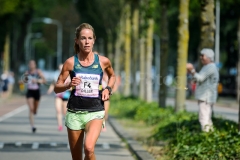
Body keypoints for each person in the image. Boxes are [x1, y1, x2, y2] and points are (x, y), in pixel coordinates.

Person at [54, 23, 115, 160]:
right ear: (77, 41)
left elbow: (112, 76)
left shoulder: (103, 61)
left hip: (95, 112)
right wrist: (68, 85)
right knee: (77, 158)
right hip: (74, 113)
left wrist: (108, 89)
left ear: (94, 40)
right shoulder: (70, 62)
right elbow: (56, 87)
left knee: (89, 148)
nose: (87, 42)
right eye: (83, 38)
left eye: (89, 38)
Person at [186, 48, 219, 132]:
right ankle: (210, 137)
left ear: (208, 57)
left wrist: (192, 69)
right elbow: (198, 79)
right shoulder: (207, 67)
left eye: (202, 55)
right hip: (206, 97)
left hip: (206, 97)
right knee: (207, 119)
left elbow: (200, 78)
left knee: (203, 118)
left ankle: (206, 137)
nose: (201, 57)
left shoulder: (210, 67)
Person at [47, 64, 71, 131]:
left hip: (66, 95)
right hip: (58, 95)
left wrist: (69, 88)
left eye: (62, 68)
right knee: (58, 110)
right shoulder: (56, 75)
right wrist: (49, 90)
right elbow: (53, 84)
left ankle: (67, 124)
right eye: (59, 69)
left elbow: (72, 86)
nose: (61, 70)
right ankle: (60, 125)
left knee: (64, 112)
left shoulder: (69, 75)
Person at [24, 60, 46, 133]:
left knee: (35, 110)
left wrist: (37, 81)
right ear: (28, 65)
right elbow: (24, 80)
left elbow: (44, 80)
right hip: (30, 92)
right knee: (31, 109)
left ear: (35, 65)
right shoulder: (27, 72)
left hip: (37, 92)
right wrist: (23, 81)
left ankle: (35, 110)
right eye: (30, 64)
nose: (31, 65)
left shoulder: (38, 72)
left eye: (33, 64)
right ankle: (32, 126)